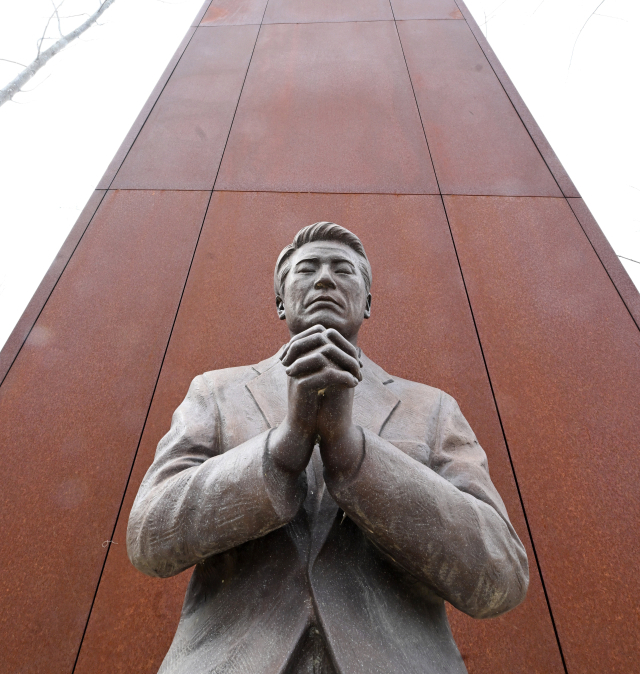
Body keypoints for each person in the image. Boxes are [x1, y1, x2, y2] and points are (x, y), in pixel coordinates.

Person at [127, 222, 528, 674]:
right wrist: (281, 449)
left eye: (343, 270)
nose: (323, 279)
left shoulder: (432, 409)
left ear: (368, 303)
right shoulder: (216, 394)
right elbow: (149, 539)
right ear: (280, 302)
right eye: (306, 270)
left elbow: (499, 575)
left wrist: (354, 454)